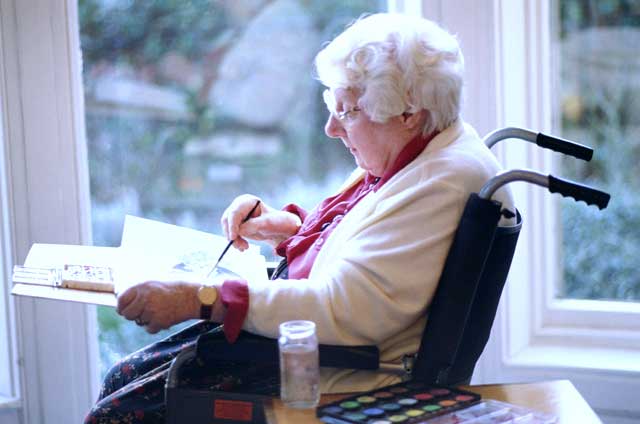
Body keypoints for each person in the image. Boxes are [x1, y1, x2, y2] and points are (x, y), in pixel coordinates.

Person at [85, 12, 515, 423]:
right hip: (309, 344)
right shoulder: (424, 148)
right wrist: (296, 230)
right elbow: (384, 252)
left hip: (331, 371)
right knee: (123, 377)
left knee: (116, 412)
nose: (331, 126)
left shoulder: (438, 181)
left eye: (347, 110)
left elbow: (343, 307)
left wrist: (198, 298)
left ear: (408, 113)